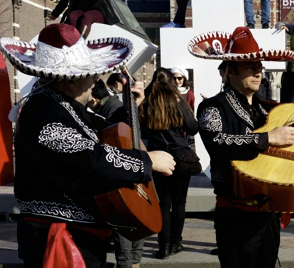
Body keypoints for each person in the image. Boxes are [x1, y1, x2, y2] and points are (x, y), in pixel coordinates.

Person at [0, 23, 176, 267]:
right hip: (58, 239)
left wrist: (131, 108)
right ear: (70, 80)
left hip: (76, 236)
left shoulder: (63, 104)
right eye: (91, 72)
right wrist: (147, 161)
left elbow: (109, 130)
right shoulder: (43, 112)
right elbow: (91, 158)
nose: (96, 79)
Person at [190, 26, 294, 267]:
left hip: (269, 212)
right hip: (235, 214)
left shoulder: (268, 109)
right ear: (229, 71)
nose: (258, 72)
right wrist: (266, 139)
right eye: (250, 66)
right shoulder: (212, 107)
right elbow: (217, 143)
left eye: (259, 67)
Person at [139, 68, 199, 260]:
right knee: (179, 202)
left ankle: (163, 246)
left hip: (157, 156)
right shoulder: (176, 100)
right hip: (180, 155)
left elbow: (142, 132)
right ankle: (176, 243)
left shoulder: (147, 102)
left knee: (163, 204)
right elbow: (193, 127)